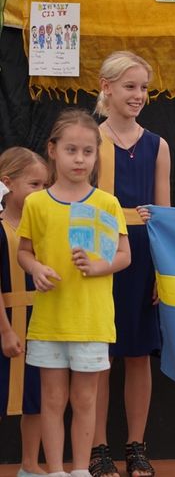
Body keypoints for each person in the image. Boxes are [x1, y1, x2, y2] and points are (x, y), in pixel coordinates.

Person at [17, 109, 131, 477]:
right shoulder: (36, 204)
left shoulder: (107, 204)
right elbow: (24, 252)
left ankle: (81, 469)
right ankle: (55, 470)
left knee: (85, 399)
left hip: (91, 321)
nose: (79, 159)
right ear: (52, 150)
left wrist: (98, 266)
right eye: (71, 150)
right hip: (49, 322)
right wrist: (36, 268)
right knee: (52, 400)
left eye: (87, 151)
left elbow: (124, 255)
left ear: (97, 155)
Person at [91, 51, 170, 477]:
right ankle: (96, 447)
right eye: (129, 86)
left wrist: (163, 271)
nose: (138, 95)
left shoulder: (158, 145)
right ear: (106, 87)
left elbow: (162, 215)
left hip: (141, 259)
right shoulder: (89, 140)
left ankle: (136, 446)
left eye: (143, 87)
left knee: (138, 355)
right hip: (100, 256)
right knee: (98, 355)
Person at [0, 147, 48, 477]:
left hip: (39, 322)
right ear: (8, 183)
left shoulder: (42, 227)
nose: (41, 192)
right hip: (5, 322)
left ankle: (29, 465)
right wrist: (5, 330)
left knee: (37, 397)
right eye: (34, 185)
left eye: (45, 185)